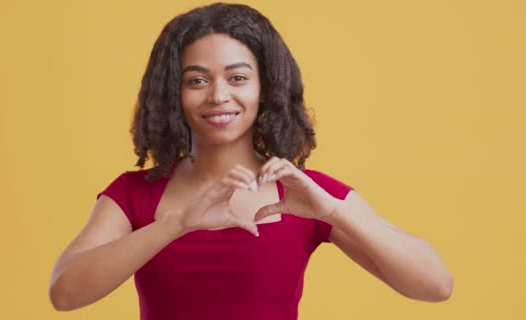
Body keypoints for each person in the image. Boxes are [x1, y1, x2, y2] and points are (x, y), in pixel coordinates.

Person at [48, 3, 453, 319]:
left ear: (266, 88)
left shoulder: (305, 193)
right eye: (197, 80)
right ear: (174, 92)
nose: (218, 95)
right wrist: (177, 224)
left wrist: (333, 211)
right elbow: (64, 294)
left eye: (238, 78)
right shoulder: (135, 194)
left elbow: (435, 285)